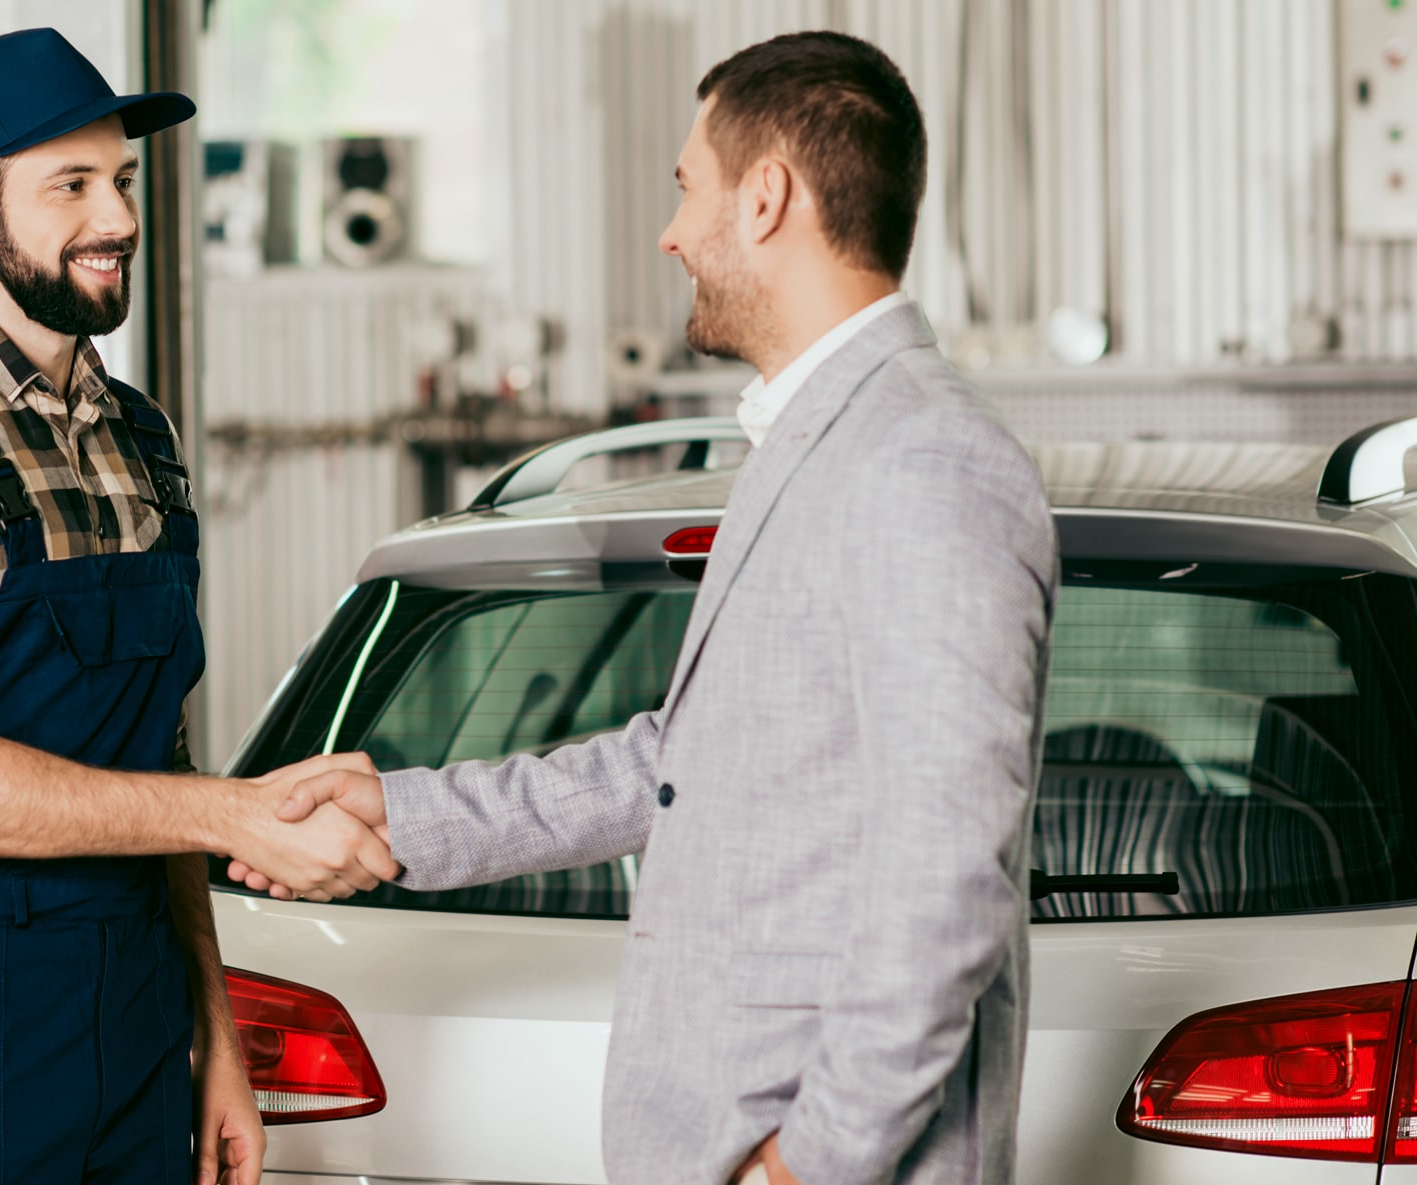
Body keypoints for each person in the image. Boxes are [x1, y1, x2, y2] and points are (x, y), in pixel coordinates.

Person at [238, 31, 1057, 1185]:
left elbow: (950, 874)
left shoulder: (924, 462)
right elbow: (686, 764)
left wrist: (812, 1163)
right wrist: (405, 814)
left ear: (767, 197)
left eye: (688, 189)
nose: (672, 231)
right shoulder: (822, 442)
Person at [0, 28, 393, 1185]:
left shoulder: (136, 437)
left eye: (124, 181)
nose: (118, 217)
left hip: (136, 1032)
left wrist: (215, 1040)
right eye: (72, 186)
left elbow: (162, 751)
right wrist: (232, 816)